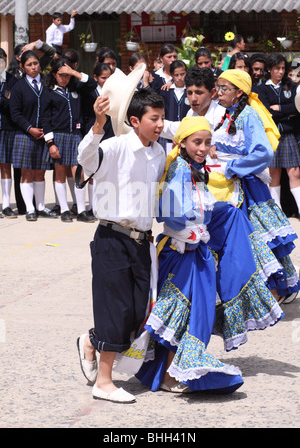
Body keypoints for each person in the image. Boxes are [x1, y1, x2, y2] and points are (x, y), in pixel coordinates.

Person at [135, 116, 283, 393]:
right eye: (196, 142)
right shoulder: (179, 168)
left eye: (207, 142)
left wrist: (215, 220)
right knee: (179, 313)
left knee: (189, 314)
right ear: (181, 143)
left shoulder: (195, 168)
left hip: (197, 253)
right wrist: (187, 230)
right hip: (180, 253)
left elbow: (204, 209)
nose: (203, 148)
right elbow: (168, 211)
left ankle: (169, 372)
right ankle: (161, 372)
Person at [76, 84, 166, 403]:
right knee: (116, 308)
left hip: (142, 242)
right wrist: (98, 125)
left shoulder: (159, 152)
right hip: (112, 238)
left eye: (162, 118)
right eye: (153, 118)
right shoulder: (114, 147)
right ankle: (104, 381)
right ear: (133, 120)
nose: (159, 124)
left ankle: (91, 340)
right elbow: (86, 158)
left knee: (137, 312)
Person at [208, 69, 299, 303]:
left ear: (239, 92)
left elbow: (264, 152)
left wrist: (231, 167)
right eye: (218, 87)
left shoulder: (248, 115)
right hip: (230, 185)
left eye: (224, 88)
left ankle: (275, 290)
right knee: (243, 241)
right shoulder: (225, 114)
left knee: (258, 239)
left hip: (247, 188)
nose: (218, 92)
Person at [41, 58, 98, 223]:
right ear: (54, 74)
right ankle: (64, 209)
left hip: (75, 136)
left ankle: (80, 210)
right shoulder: (49, 92)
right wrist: (50, 143)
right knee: (60, 174)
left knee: (78, 173)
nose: (64, 78)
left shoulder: (76, 88)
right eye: (61, 75)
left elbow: (92, 84)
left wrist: (74, 72)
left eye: (67, 75)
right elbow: (45, 119)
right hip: (58, 136)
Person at [9, 50, 58, 221]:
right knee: (26, 173)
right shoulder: (19, 87)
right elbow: (15, 113)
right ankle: (30, 208)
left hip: (44, 134)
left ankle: (41, 206)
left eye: (35, 63)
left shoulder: (46, 84)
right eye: (29, 64)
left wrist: (46, 134)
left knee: (40, 172)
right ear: (22, 67)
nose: (33, 67)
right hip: (25, 135)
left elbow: (49, 111)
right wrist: (30, 128)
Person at [256, 54, 300, 220]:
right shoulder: (261, 89)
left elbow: (297, 108)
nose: (280, 72)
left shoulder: (291, 86)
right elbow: (266, 112)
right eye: (277, 68)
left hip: (288, 135)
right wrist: (287, 113)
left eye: (283, 68)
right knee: (273, 173)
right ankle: (277, 213)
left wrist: (280, 108)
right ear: (269, 69)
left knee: (294, 173)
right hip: (271, 135)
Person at [0, 48, 18, 218]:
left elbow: (9, 104)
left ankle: (6, 204)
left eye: (1, 59)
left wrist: (5, 99)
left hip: (6, 128)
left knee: (6, 165)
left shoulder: (12, 80)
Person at [159, 60, 189, 153]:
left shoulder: (190, 91)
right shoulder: (165, 91)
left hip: (186, 133)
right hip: (168, 135)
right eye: (176, 75)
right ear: (172, 75)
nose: (180, 78)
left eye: (182, 74)